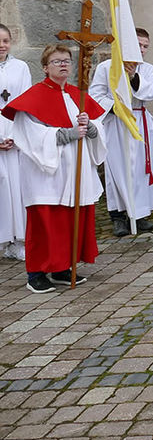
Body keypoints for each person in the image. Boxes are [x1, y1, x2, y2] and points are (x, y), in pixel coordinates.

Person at [1, 44, 106, 294]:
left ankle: (61, 268)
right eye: (57, 61)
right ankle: (35, 273)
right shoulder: (34, 96)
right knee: (45, 220)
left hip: (75, 170)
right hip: (46, 172)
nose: (63, 64)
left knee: (69, 219)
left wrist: (90, 128)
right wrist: (66, 134)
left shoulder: (77, 94)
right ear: (45, 67)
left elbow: (97, 127)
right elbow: (29, 134)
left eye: (67, 60)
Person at [89, 28, 153, 236]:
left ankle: (138, 214)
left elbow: (151, 92)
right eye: (138, 45)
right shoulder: (106, 67)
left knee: (139, 170)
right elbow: (96, 95)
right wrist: (115, 107)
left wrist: (133, 75)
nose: (142, 50)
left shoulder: (148, 70)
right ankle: (118, 216)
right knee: (116, 169)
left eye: (146, 46)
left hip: (139, 121)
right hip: (116, 122)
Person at [0, 24, 31, 261]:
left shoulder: (20, 67)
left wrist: (17, 135)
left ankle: (18, 240)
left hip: (14, 133)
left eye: (6, 41)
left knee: (16, 190)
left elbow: (26, 103)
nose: (2, 45)